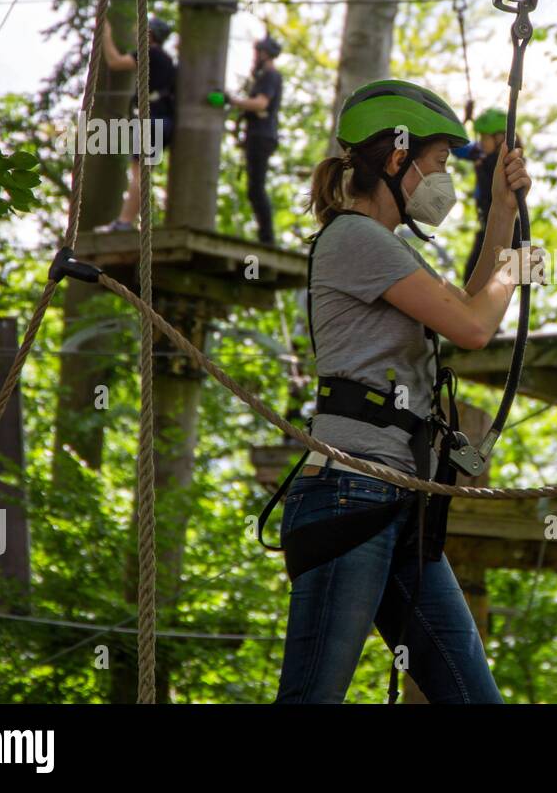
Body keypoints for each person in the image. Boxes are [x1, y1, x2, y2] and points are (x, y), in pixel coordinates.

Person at [270, 79, 539, 704]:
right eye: (440, 164)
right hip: (350, 490)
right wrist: (517, 267)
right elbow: (474, 325)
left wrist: (501, 210)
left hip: (394, 494)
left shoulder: (388, 249)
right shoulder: (357, 240)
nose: (444, 180)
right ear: (397, 160)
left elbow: (465, 305)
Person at [97, 16, 176, 232]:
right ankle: (128, 220)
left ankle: (124, 222)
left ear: (149, 34)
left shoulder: (149, 54)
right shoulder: (168, 61)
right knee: (143, 172)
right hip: (164, 121)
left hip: (151, 121)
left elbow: (114, 61)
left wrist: (105, 35)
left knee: (138, 173)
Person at [227, 35, 283, 245]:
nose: (254, 57)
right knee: (254, 188)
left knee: (256, 188)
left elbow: (260, 104)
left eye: (257, 52)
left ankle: (267, 239)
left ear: (265, 54)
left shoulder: (270, 75)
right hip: (258, 135)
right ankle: (265, 237)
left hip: (262, 136)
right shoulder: (264, 77)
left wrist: (230, 100)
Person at [451, 106, 510, 283]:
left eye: (485, 137)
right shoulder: (482, 154)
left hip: (506, 229)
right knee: (472, 277)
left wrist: (481, 163)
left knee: (477, 277)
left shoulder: (507, 161)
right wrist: (465, 119)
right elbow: (456, 146)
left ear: (500, 138)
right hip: (487, 226)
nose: (482, 141)